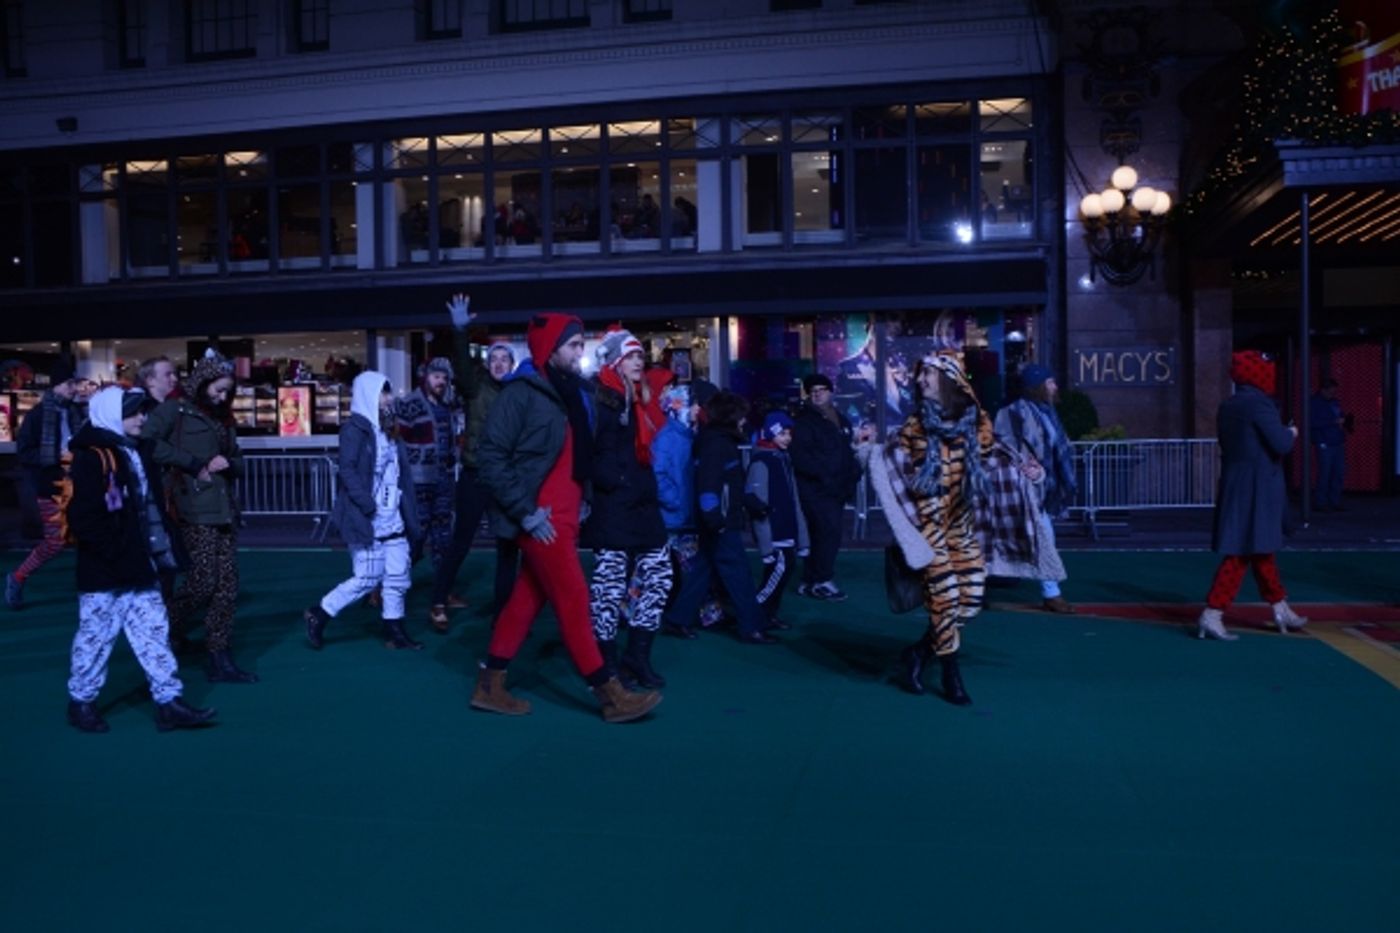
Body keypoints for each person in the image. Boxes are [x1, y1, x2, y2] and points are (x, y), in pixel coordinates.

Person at [473, 312, 661, 723]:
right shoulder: (520, 393)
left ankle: (490, 684)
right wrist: (526, 512)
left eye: (580, 345)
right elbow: (490, 457)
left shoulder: (574, 391)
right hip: (542, 518)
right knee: (575, 599)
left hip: (566, 514)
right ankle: (609, 693)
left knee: (528, 598)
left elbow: (578, 454)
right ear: (550, 347)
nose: (580, 353)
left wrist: (583, 497)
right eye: (573, 345)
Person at [64, 386, 216, 733]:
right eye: (133, 413)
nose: (142, 418)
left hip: (138, 563)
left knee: (154, 633)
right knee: (96, 637)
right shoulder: (94, 457)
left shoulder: (135, 450)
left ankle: (168, 701)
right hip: (107, 568)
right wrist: (117, 553)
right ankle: (82, 702)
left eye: (142, 411)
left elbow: (148, 508)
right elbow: (83, 517)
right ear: (113, 416)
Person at [861, 352, 995, 705]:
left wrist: (1030, 472)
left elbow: (997, 462)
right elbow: (890, 460)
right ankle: (952, 675)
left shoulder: (978, 423)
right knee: (944, 597)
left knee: (971, 601)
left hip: (961, 526)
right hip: (929, 528)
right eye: (920, 376)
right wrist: (868, 452)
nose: (920, 381)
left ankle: (919, 653)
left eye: (928, 376)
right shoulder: (915, 426)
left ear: (949, 381)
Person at [142, 349, 255, 683]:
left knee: (227, 585)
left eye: (227, 392)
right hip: (192, 507)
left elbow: (238, 458)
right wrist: (191, 463)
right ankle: (165, 628)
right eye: (218, 390)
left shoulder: (223, 419)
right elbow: (147, 443)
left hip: (223, 508)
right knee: (204, 582)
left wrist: (230, 463)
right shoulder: (174, 410)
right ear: (203, 383)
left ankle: (219, 655)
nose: (222, 397)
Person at [305, 371, 425, 651]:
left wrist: (406, 508)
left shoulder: (390, 428)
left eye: (389, 392)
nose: (389, 399)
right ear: (369, 395)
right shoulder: (354, 429)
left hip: (393, 513)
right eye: (384, 393)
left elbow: (399, 472)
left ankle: (394, 630)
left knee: (398, 576)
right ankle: (320, 613)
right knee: (368, 576)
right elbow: (347, 469)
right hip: (367, 516)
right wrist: (367, 504)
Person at [1197, 350, 1308, 640]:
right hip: (1257, 488)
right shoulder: (1259, 405)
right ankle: (1213, 611)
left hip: (1238, 484)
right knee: (1243, 552)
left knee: (1259, 550)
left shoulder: (1229, 405)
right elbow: (1281, 444)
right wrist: (1292, 432)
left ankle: (1280, 607)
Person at [585, 328, 673, 688]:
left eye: (640, 356)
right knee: (608, 587)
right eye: (631, 355)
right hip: (614, 506)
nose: (639, 361)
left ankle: (637, 657)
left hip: (642, 504)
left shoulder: (638, 398)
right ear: (615, 360)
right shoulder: (599, 398)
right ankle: (606, 666)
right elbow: (587, 452)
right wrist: (615, 480)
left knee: (659, 577)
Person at [428, 293, 520, 632]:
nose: (499, 363)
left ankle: (504, 612)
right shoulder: (475, 386)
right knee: (461, 540)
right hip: (476, 474)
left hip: (505, 479)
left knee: (508, 546)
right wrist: (460, 331)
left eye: (504, 359)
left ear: (511, 364)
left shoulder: (519, 393)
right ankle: (438, 600)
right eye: (494, 358)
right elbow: (463, 365)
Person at [664, 390, 778, 644]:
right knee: (737, 572)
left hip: (718, 518)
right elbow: (710, 484)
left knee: (703, 569)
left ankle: (678, 619)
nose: (744, 421)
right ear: (731, 417)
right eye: (741, 416)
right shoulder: (718, 444)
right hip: (721, 520)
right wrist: (714, 517)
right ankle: (752, 626)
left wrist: (746, 503)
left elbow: (725, 483)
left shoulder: (715, 441)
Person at [993, 363, 1076, 612]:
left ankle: (1049, 592)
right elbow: (1003, 446)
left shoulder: (1048, 412)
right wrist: (1024, 464)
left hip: (1042, 485)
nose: (1055, 387)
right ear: (1038, 386)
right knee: (1043, 537)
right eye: (1050, 382)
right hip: (1022, 487)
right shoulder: (1012, 413)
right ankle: (1052, 594)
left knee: (1037, 537)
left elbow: (1057, 448)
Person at [6, 356, 86, 610]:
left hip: (80, 483)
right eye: (69, 383)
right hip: (50, 485)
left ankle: (93, 586)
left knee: (89, 535)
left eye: (74, 383)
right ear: (56, 385)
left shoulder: (77, 411)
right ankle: (18, 577)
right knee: (55, 542)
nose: (74, 388)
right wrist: (54, 457)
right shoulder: (38, 415)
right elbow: (24, 452)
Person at [791, 372, 860, 601]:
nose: (817, 394)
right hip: (817, 490)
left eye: (822, 390)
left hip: (833, 489)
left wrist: (853, 473)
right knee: (826, 534)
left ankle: (811, 579)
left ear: (831, 392)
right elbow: (801, 457)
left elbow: (846, 453)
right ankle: (821, 580)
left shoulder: (840, 419)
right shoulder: (804, 422)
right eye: (813, 391)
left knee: (822, 535)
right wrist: (827, 476)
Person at [394, 356, 459, 581]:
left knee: (444, 537)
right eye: (436, 376)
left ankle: (443, 589)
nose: (440, 381)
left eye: (444, 378)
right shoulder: (409, 403)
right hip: (417, 481)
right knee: (416, 535)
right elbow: (397, 440)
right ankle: (388, 583)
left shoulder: (447, 406)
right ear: (426, 377)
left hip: (443, 479)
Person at [746, 410, 809, 629]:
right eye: (782, 433)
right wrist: (766, 546)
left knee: (781, 573)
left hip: (785, 528)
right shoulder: (762, 461)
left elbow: (794, 500)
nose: (787, 438)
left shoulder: (781, 459)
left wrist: (802, 538)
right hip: (775, 531)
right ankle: (753, 615)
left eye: (789, 433)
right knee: (777, 574)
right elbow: (757, 504)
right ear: (770, 434)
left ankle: (768, 615)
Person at [1308, 377, 1348, 512]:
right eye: (1331, 392)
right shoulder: (1314, 403)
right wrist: (1334, 422)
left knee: (1338, 473)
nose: (1332, 394)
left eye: (1334, 392)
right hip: (1324, 441)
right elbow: (1312, 422)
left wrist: (1342, 422)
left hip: (1337, 440)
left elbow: (1340, 416)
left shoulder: (1334, 402)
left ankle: (1334, 501)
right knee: (1325, 473)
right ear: (1323, 390)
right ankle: (1321, 502)